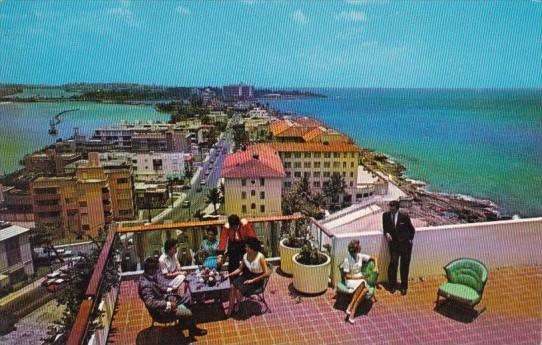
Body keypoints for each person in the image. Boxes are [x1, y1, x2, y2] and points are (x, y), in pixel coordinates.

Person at [138, 257, 207, 338]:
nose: (158, 271)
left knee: (187, 298)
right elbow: (150, 303)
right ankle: (193, 330)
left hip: (164, 299)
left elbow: (158, 287)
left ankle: (183, 323)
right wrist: (169, 304)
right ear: (150, 270)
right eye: (156, 269)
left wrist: (169, 289)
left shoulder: (147, 276)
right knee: (189, 312)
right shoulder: (145, 286)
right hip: (161, 312)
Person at [224, 237, 270, 317]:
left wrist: (252, 281)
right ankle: (230, 309)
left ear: (252, 249)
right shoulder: (245, 256)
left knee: (239, 291)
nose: (245, 248)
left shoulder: (260, 257)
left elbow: (267, 273)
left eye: (247, 247)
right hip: (247, 275)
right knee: (232, 286)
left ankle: (238, 304)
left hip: (257, 279)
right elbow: (239, 269)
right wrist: (229, 275)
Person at [340, 240, 378, 324]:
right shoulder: (347, 260)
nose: (358, 252)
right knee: (363, 284)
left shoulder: (360, 256)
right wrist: (360, 277)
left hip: (360, 279)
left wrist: (376, 266)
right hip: (351, 280)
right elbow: (347, 276)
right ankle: (351, 310)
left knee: (365, 290)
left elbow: (374, 257)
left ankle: (352, 309)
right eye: (357, 250)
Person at [382, 200, 415, 295]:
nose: (391, 210)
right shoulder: (385, 216)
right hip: (393, 245)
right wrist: (386, 234)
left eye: (393, 209)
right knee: (393, 264)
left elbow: (411, 229)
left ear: (397, 208)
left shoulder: (404, 217)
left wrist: (410, 241)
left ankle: (404, 287)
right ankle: (392, 285)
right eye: (390, 208)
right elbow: (385, 228)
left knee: (404, 266)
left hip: (405, 245)